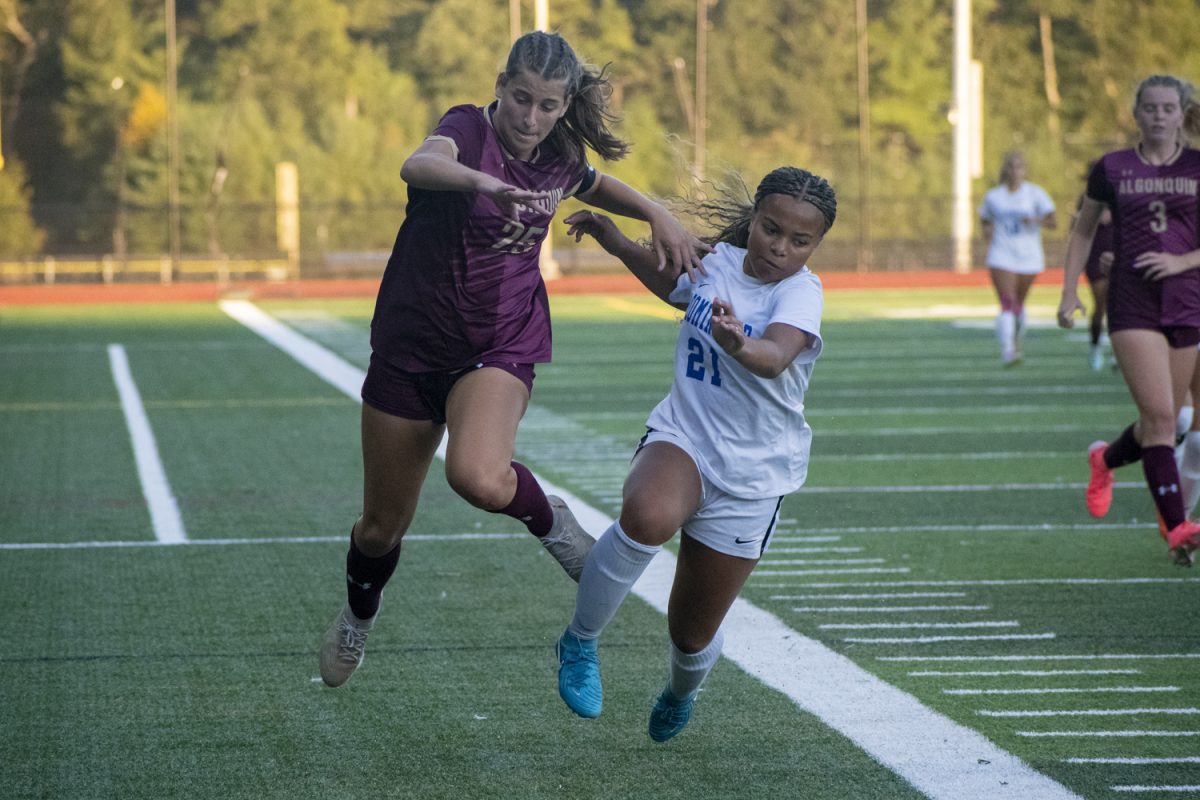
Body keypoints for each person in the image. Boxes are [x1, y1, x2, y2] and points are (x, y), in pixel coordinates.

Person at [318, 31, 709, 688]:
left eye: (548, 105)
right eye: (521, 98)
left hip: (499, 343)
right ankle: (358, 615)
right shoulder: (469, 130)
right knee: (382, 528)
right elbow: (418, 164)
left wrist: (655, 211)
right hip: (410, 347)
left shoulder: (559, 152)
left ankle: (552, 521)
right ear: (500, 87)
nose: (531, 118)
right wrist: (485, 186)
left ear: (563, 108)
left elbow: (593, 182)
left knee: (476, 475)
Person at [552, 166, 834, 742]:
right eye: (770, 229)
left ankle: (683, 690)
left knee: (690, 633)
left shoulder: (801, 291)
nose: (780, 247)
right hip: (685, 436)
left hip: (755, 475)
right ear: (753, 219)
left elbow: (775, 356)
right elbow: (670, 285)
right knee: (646, 516)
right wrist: (614, 240)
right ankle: (579, 642)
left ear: (816, 245)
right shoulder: (716, 262)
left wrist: (739, 342)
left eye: (799, 241)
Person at [1057, 73, 1200, 566]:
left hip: (1186, 300)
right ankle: (1178, 527)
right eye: (1150, 108)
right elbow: (1082, 230)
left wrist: (1183, 262)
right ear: (1136, 113)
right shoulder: (1112, 167)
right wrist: (1069, 289)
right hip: (1132, 302)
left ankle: (1105, 459)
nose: (1159, 116)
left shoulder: (1198, 166)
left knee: (1167, 420)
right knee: (1163, 418)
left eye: (1168, 108)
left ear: (1182, 113)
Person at [979, 151, 1057, 365]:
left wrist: (1035, 220)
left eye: (1019, 167)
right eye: (1011, 167)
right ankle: (1008, 350)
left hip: (1029, 256)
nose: (1015, 172)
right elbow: (984, 218)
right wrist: (987, 233)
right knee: (1007, 301)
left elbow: (1053, 222)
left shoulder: (1035, 194)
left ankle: (1015, 341)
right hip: (1002, 254)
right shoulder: (994, 196)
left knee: (1019, 305)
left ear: (1025, 171)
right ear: (1005, 170)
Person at [1074, 191, 1115, 370]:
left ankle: (1118, 351)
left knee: (1118, 306)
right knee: (1100, 305)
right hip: (1095, 257)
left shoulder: (1122, 195)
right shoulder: (1086, 200)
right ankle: (1095, 346)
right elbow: (1076, 231)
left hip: (1118, 255)